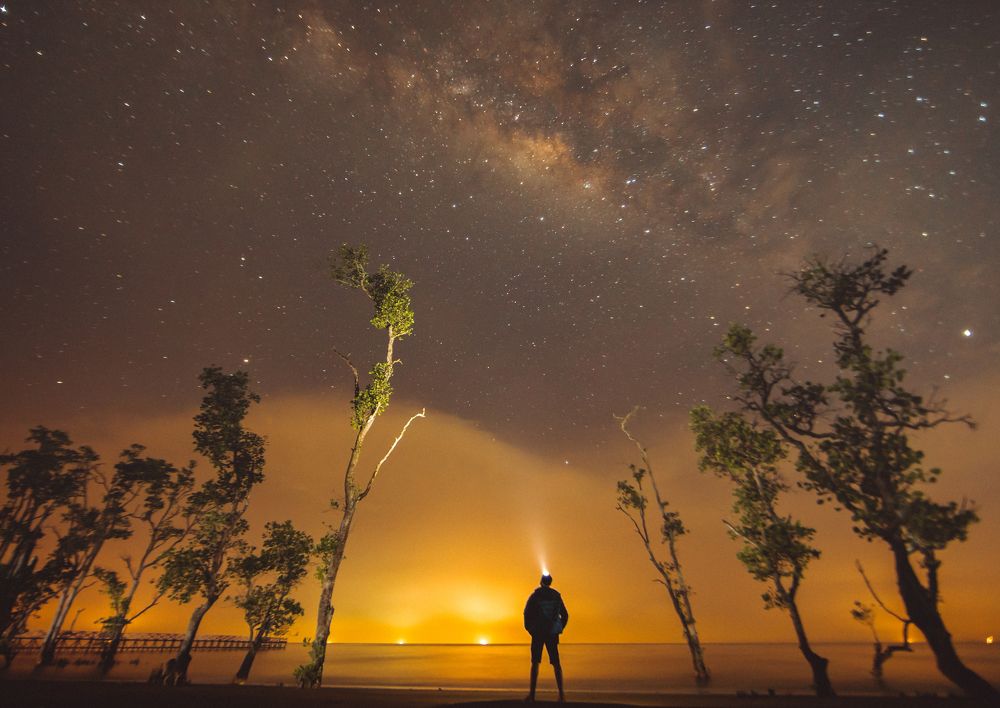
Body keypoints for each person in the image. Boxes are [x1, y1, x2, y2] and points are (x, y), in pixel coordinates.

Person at [523, 573, 568, 702]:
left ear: (541, 582)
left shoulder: (535, 596)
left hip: (537, 633)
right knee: (556, 663)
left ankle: (532, 695)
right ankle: (561, 694)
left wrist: (530, 629)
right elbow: (565, 615)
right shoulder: (556, 596)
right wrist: (559, 628)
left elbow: (526, 613)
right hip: (552, 634)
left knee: (535, 663)